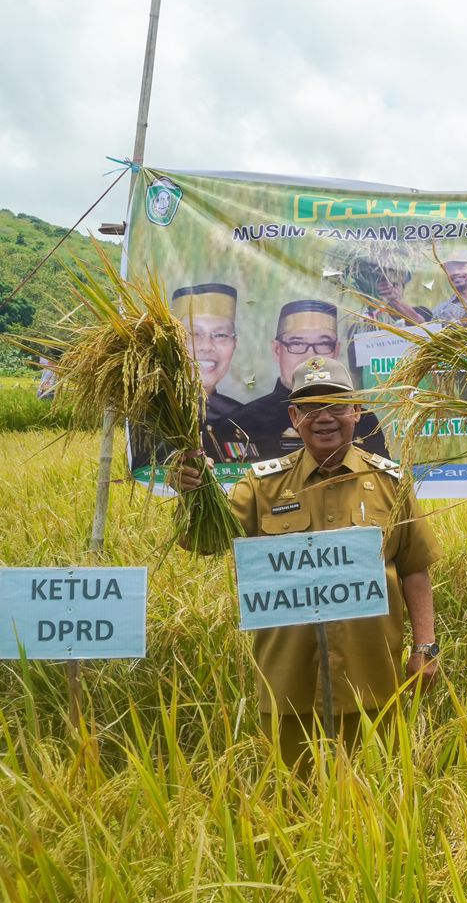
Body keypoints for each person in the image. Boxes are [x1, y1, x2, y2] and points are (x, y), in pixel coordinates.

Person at [175, 357, 441, 770]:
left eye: (336, 406)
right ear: (294, 417)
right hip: (287, 685)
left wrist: (425, 646)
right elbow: (202, 542)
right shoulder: (261, 486)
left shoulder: (390, 483)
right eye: (311, 408)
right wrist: (193, 494)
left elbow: (414, 568)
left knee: (374, 793)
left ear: (356, 411)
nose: (324, 418)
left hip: (372, 679)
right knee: (290, 795)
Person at [230, 300, 389, 460]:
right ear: (277, 349)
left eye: (323, 343)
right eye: (297, 343)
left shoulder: (365, 421)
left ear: (336, 350)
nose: (310, 356)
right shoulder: (242, 423)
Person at [170, 282, 254, 462]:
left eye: (220, 335)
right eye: (193, 334)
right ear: (172, 342)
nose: (207, 346)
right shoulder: (150, 414)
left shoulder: (244, 417)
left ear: (234, 344)